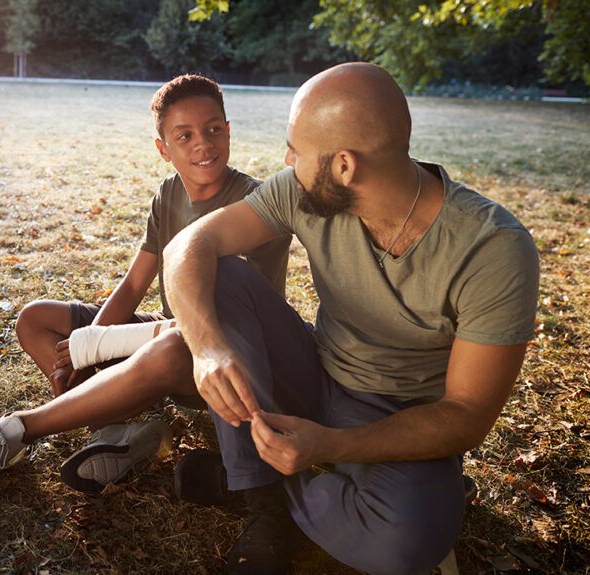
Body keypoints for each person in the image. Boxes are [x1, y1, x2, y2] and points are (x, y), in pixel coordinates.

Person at [161, 62, 540, 574]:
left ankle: (254, 474)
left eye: (297, 149)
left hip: (398, 415)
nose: (287, 159)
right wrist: (206, 346)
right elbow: (190, 244)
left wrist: (331, 444)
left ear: (344, 166)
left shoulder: (493, 248)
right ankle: (262, 500)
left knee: (404, 546)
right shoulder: (300, 191)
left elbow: (467, 415)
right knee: (223, 275)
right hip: (316, 369)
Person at [0, 74, 290, 498]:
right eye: (184, 135)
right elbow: (134, 284)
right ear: (163, 149)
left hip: (216, 353)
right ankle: (118, 433)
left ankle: (24, 430)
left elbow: (237, 321)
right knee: (35, 319)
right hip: (168, 328)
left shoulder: (256, 205)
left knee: (166, 349)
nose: (202, 144)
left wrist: (106, 345)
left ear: (228, 130)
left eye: (212, 130)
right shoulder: (169, 192)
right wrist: (89, 342)